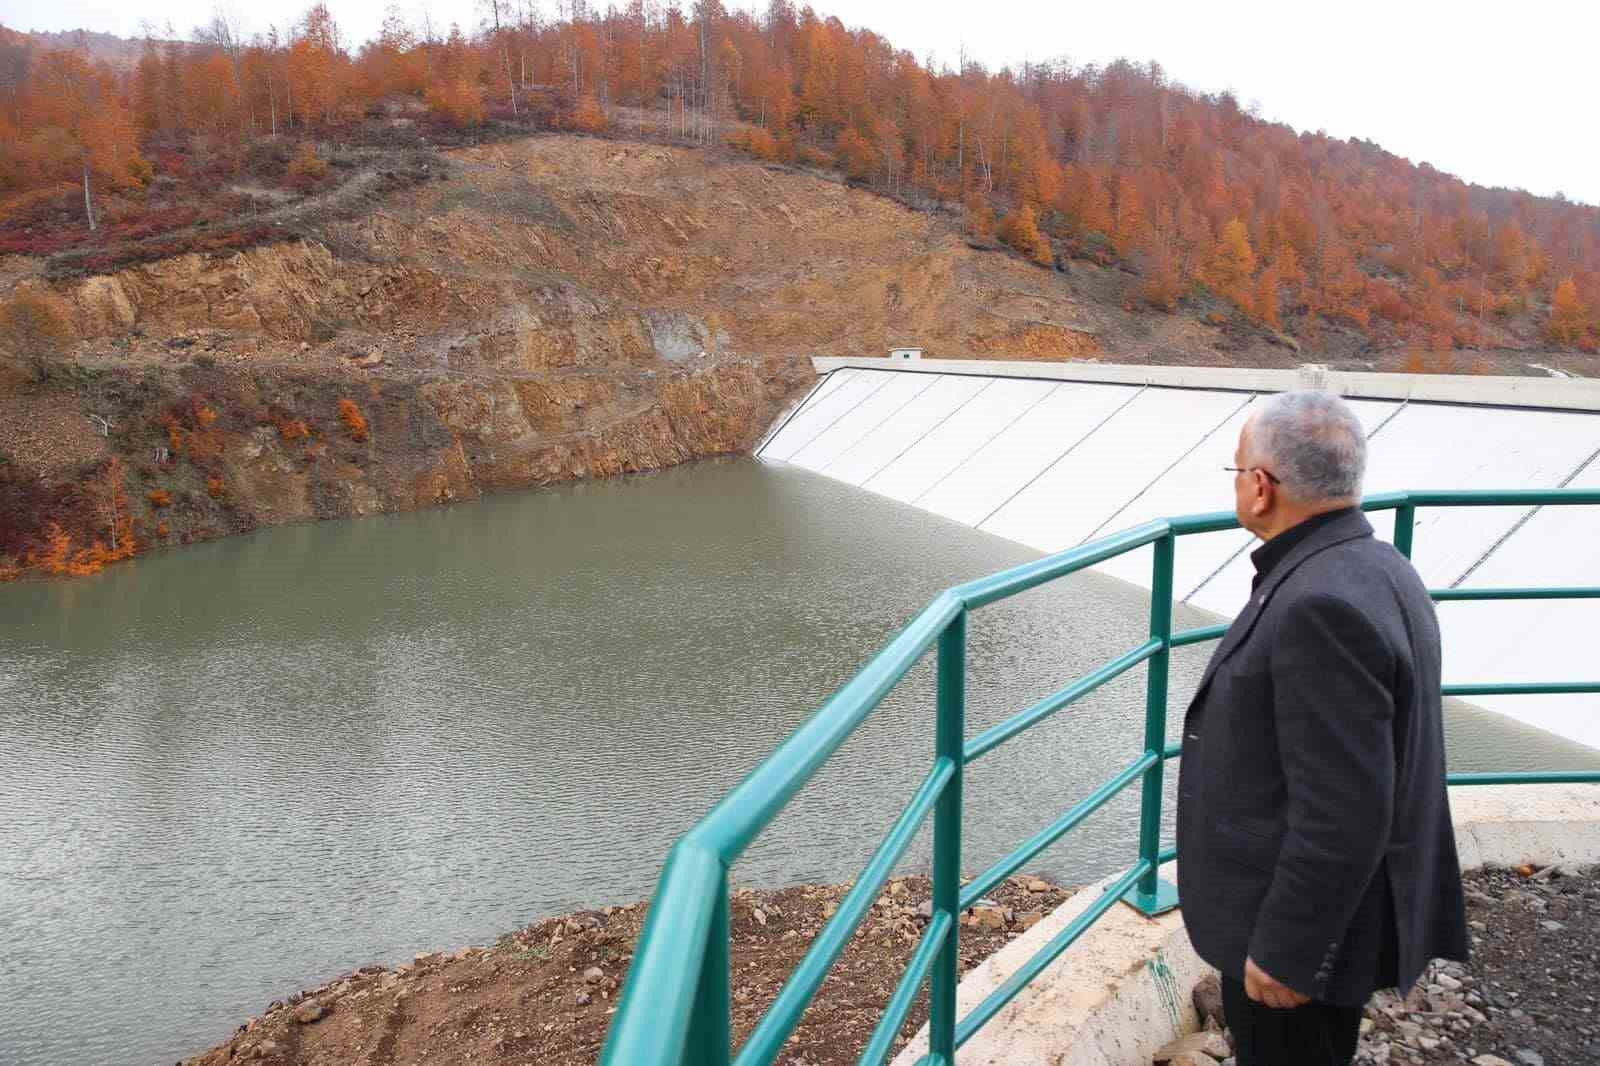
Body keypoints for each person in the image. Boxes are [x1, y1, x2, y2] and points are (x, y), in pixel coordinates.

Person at [1175, 390, 1468, 1066]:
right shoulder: (1380, 566)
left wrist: (1288, 949)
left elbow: (1346, 808)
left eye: (1238, 470)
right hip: (1332, 915)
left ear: (1260, 487)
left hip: (1288, 935)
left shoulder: (1319, 605)